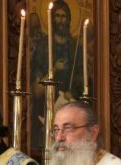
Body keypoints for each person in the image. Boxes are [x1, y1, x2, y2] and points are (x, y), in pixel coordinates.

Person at [30, 0, 83, 147]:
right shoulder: (43, 45)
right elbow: (36, 89)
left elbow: (82, 78)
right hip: (45, 107)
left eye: (63, 16)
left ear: (68, 19)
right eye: (57, 16)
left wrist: (72, 93)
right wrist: (54, 69)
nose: (60, 20)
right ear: (52, 19)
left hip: (69, 105)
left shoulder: (75, 47)